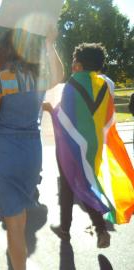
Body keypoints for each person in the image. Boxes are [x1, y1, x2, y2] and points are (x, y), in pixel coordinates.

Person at [0, 27, 63, 270]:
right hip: (33, 154)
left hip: (6, 155)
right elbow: (59, 75)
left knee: (13, 225)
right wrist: (49, 43)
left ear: (4, 49)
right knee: (20, 215)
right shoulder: (37, 78)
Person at [44, 43, 112, 248]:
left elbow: (64, 117)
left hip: (72, 144)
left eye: (74, 61)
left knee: (73, 184)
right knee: (78, 182)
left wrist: (49, 109)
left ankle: (93, 229)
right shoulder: (104, 84)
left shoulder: (73, 84)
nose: (72, 65)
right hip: (94, 144)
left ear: (80, 66)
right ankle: (70, 228)